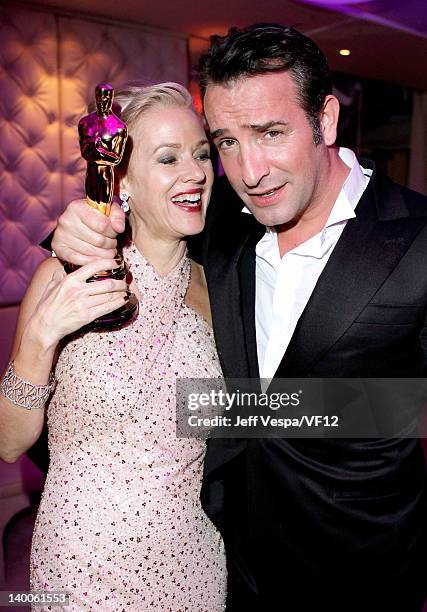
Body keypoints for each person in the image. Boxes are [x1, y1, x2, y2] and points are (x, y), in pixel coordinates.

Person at [43, 24, 427, 612]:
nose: (249, 172)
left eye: (270, 133)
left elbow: (411, 408)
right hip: (224, 560)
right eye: (224, 142)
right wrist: (70, 229)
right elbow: (137, 219)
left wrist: (249, 407)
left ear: (325, 120)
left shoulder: (417, 237)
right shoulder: (221, 215)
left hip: (358, 566)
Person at [0, 82, 226, 610]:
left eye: (200, 154)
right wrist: (38, 337)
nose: (195, 173)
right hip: (85, 565)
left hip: (194, 562)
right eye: (168, 158)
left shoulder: (215, 291)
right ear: (120, 178)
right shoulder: (66, 274)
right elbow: (9, 443)